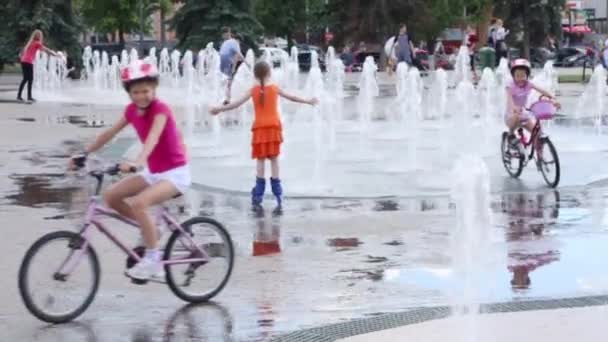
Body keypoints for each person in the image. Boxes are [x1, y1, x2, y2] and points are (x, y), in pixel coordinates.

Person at [71, 59, 190, 281]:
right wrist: (84, 153)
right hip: (153, 173)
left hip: (175, 173)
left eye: (146, 91)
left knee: (138, 203)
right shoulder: (131, 111)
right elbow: (109, 134)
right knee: (111, 196)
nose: (141, 96)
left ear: (154, 89)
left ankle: (154, 262)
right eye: (135, 92)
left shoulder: (161, 109)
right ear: (129, 93)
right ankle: (151, 232)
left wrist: (137, 161)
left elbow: (152, 139)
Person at [210, 61, 317, 207]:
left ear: (254, 74)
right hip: (273, 127)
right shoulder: (274, 88)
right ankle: (278, 192)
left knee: (260, 160)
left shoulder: (253, 90)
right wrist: (308, 101)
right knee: (274, 160)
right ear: (269, 73)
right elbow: (292, 97)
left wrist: (218, 109)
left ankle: (258, 193)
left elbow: (235, 104)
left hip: (260, 128)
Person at [505, 59, 561, 158]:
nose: (520, 78)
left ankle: (540, 157)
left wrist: (553, 99)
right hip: (511, 114)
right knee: (516, 116)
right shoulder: (510, 85)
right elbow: (509, 98)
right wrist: (513, 107)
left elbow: (542, 91)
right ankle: (510, 135)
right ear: (513, 76)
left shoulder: (529, 84)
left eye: (523, 75)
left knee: (538, 133)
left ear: (527, 75)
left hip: (523, 114)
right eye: (517, 76)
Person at [18, 30, 59, 102]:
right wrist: (55, 55)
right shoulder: (37, 43)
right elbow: (46, 50)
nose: (40, 37)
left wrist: (21, 56)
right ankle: (29, 97)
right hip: (28, 62)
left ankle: (19, 96)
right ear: (39, 36)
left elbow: (22, 52)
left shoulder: (30, 43)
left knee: (25, 79)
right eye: (40, 35)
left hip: (24, 61)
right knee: (30, 79)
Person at [219, 27, 246, 104]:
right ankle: (227, 99)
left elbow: (237, 58)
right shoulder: (228, 44)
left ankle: (228, 99)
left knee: (229, 83)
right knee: (228, 83)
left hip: (233, 67)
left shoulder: (233, 44)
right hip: (229, 67)